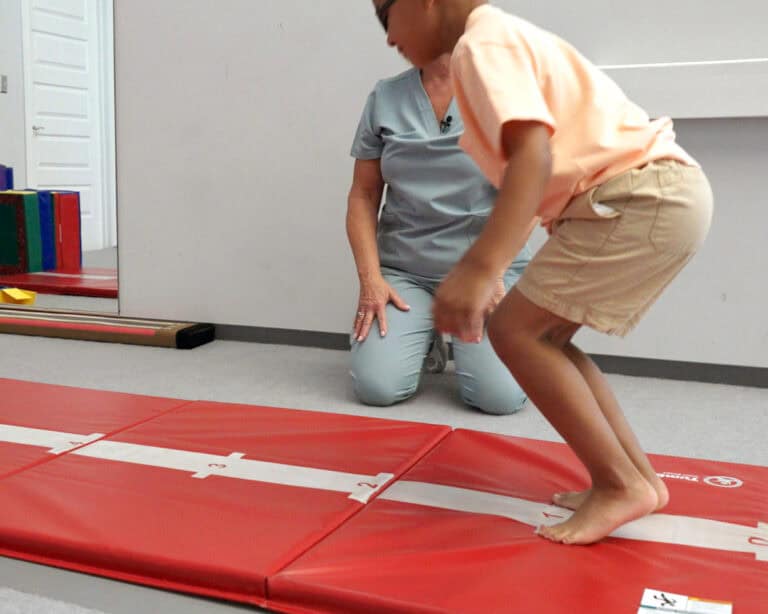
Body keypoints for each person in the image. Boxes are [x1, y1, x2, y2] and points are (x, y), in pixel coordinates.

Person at [371, 0, 713, 545]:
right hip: (654, 196)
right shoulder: (495, 40)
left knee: (514, 332)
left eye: (385, 14)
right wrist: (499, 263)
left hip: (639, 196)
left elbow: (533, 156)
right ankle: (639, 481)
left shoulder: (482, 44)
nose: (387, 37)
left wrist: (482, 266)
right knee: (545, 338)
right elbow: (531, 173)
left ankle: (619, 483)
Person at [346, 51, 533, 415]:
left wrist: (491, 272)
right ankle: (424, 331)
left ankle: (526, 336)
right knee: (377, 388)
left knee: (499, 399)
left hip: (484, 270)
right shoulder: (386, 97)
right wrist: (371, 280)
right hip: (406, 271)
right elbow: (363, 195)